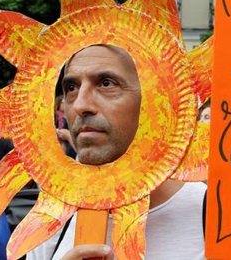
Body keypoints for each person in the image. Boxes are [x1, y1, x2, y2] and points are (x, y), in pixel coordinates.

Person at [27, 45, 207, 260]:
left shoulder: (213, 218)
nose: (80, 105)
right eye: (72, 87)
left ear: (157, 101)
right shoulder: (49, 222)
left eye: (106, 84)